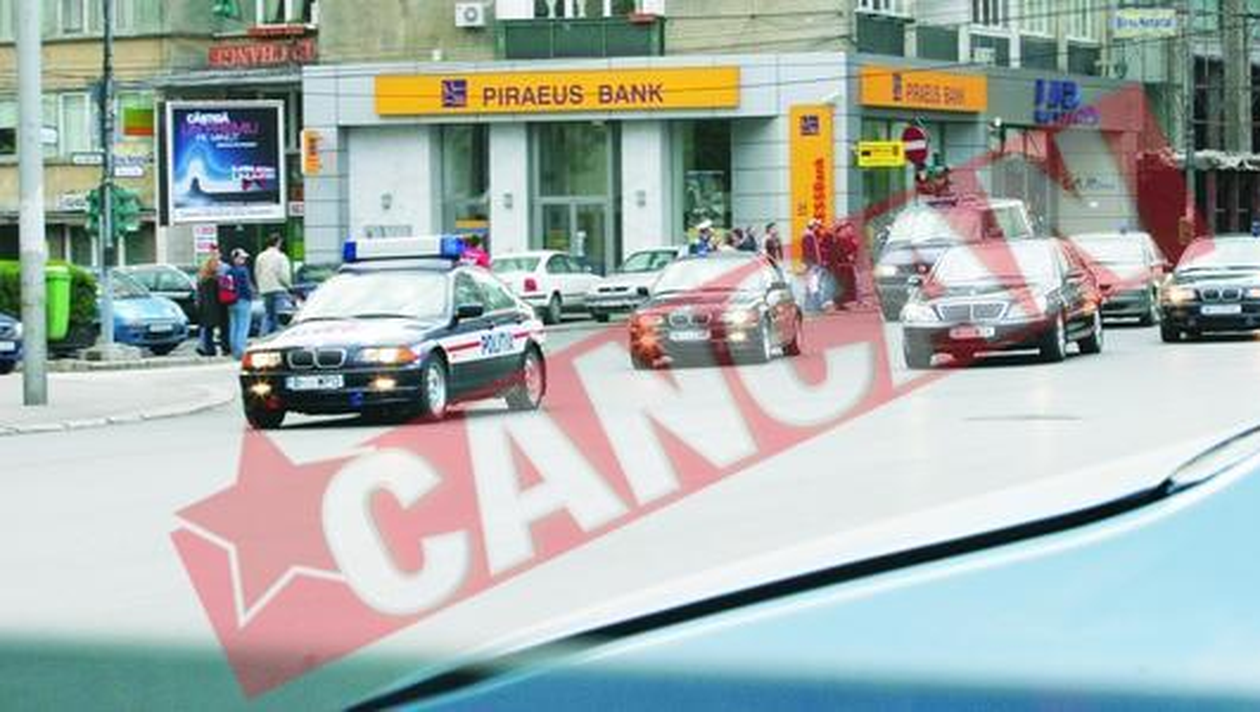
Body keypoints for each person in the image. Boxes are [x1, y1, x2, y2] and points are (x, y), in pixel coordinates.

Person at [254, 233, 292, 336]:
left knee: (268, 316)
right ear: (278, 242)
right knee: (280, 317)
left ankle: (263, 337)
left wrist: (260, 287)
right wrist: (289, 286)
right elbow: (283, 275)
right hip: (279, 289)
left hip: (265, 290)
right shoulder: (281, 257)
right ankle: (278, 338)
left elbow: (257, 273)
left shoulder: (260, 257)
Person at [225, 248, 256, 360]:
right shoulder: (243, 270)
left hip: (231, 301)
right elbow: (247, 286)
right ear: (235, 259)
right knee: (243, 326)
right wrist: (252, 295)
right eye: (241, 258)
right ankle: (241, 351)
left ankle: (234, 350)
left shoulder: (229, 271)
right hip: (243, 300)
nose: (243, 260)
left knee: (233, 326)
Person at [195, 246, 225, 356]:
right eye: (216, 265)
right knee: (213, 329)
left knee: (208, 330)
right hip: (214, 308)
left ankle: (208, 348)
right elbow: (218, 295)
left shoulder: (202, 280)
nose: (218, 267)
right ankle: (210, 349)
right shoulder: (214, 280)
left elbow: (200, 295)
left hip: (204, 308)